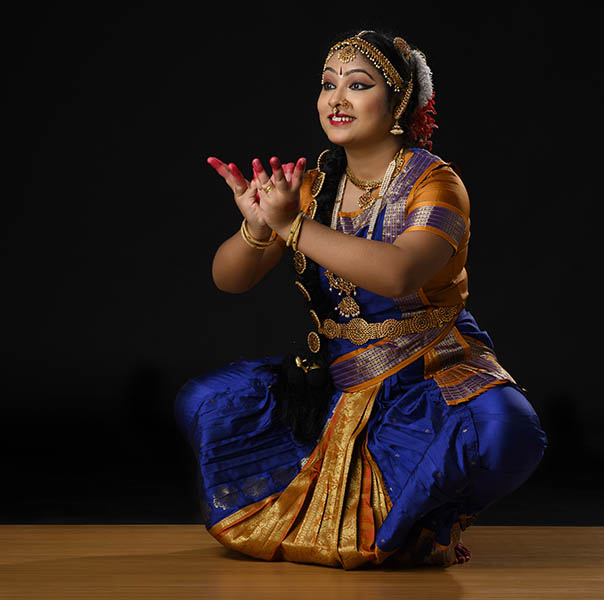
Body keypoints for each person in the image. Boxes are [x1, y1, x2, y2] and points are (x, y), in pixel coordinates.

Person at [175, 29, 547, 569]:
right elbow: (229, 279)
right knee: (206, 400)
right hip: (343, 375)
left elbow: (397, 275)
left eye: (358, 84)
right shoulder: (313, 186)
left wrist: (292, 227)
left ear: (398, 102)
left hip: (425, 371)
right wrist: (257, 228)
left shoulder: (436, 184)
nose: (337, 98)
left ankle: (429, 520)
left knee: (505, 429)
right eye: (329, 85)